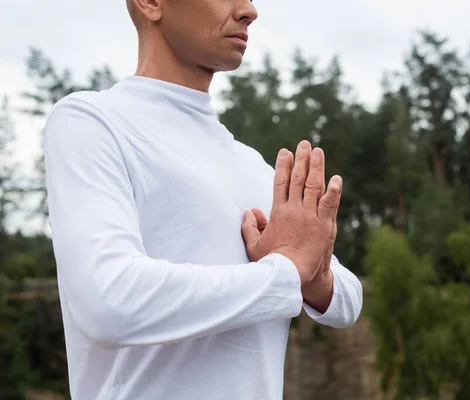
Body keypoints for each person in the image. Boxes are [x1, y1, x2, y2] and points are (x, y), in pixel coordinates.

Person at [42, 0, 363, 399]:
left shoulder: (254, 165)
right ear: (150, 3)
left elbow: (348, 298)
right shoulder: (92, 122)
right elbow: (109, 302)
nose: (249, 10)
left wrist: (312, 274)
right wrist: (285, 272)